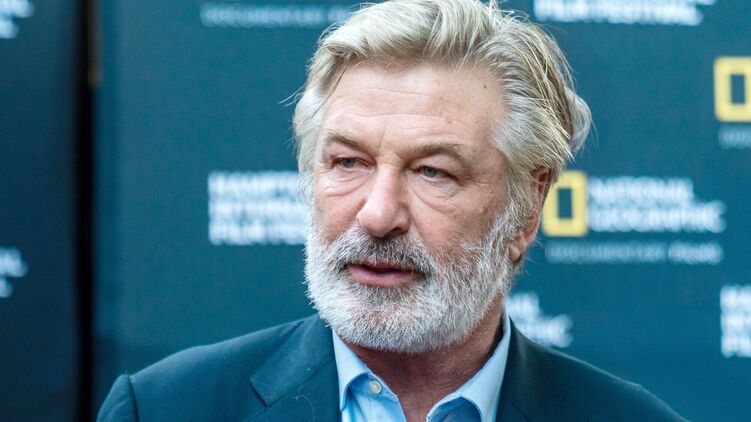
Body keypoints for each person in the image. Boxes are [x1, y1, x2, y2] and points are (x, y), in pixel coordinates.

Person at [99, 0, 685, 421]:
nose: (378, 215)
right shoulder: (163, 408)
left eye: (433, 171)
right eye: (349, 162)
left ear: (527, 209)